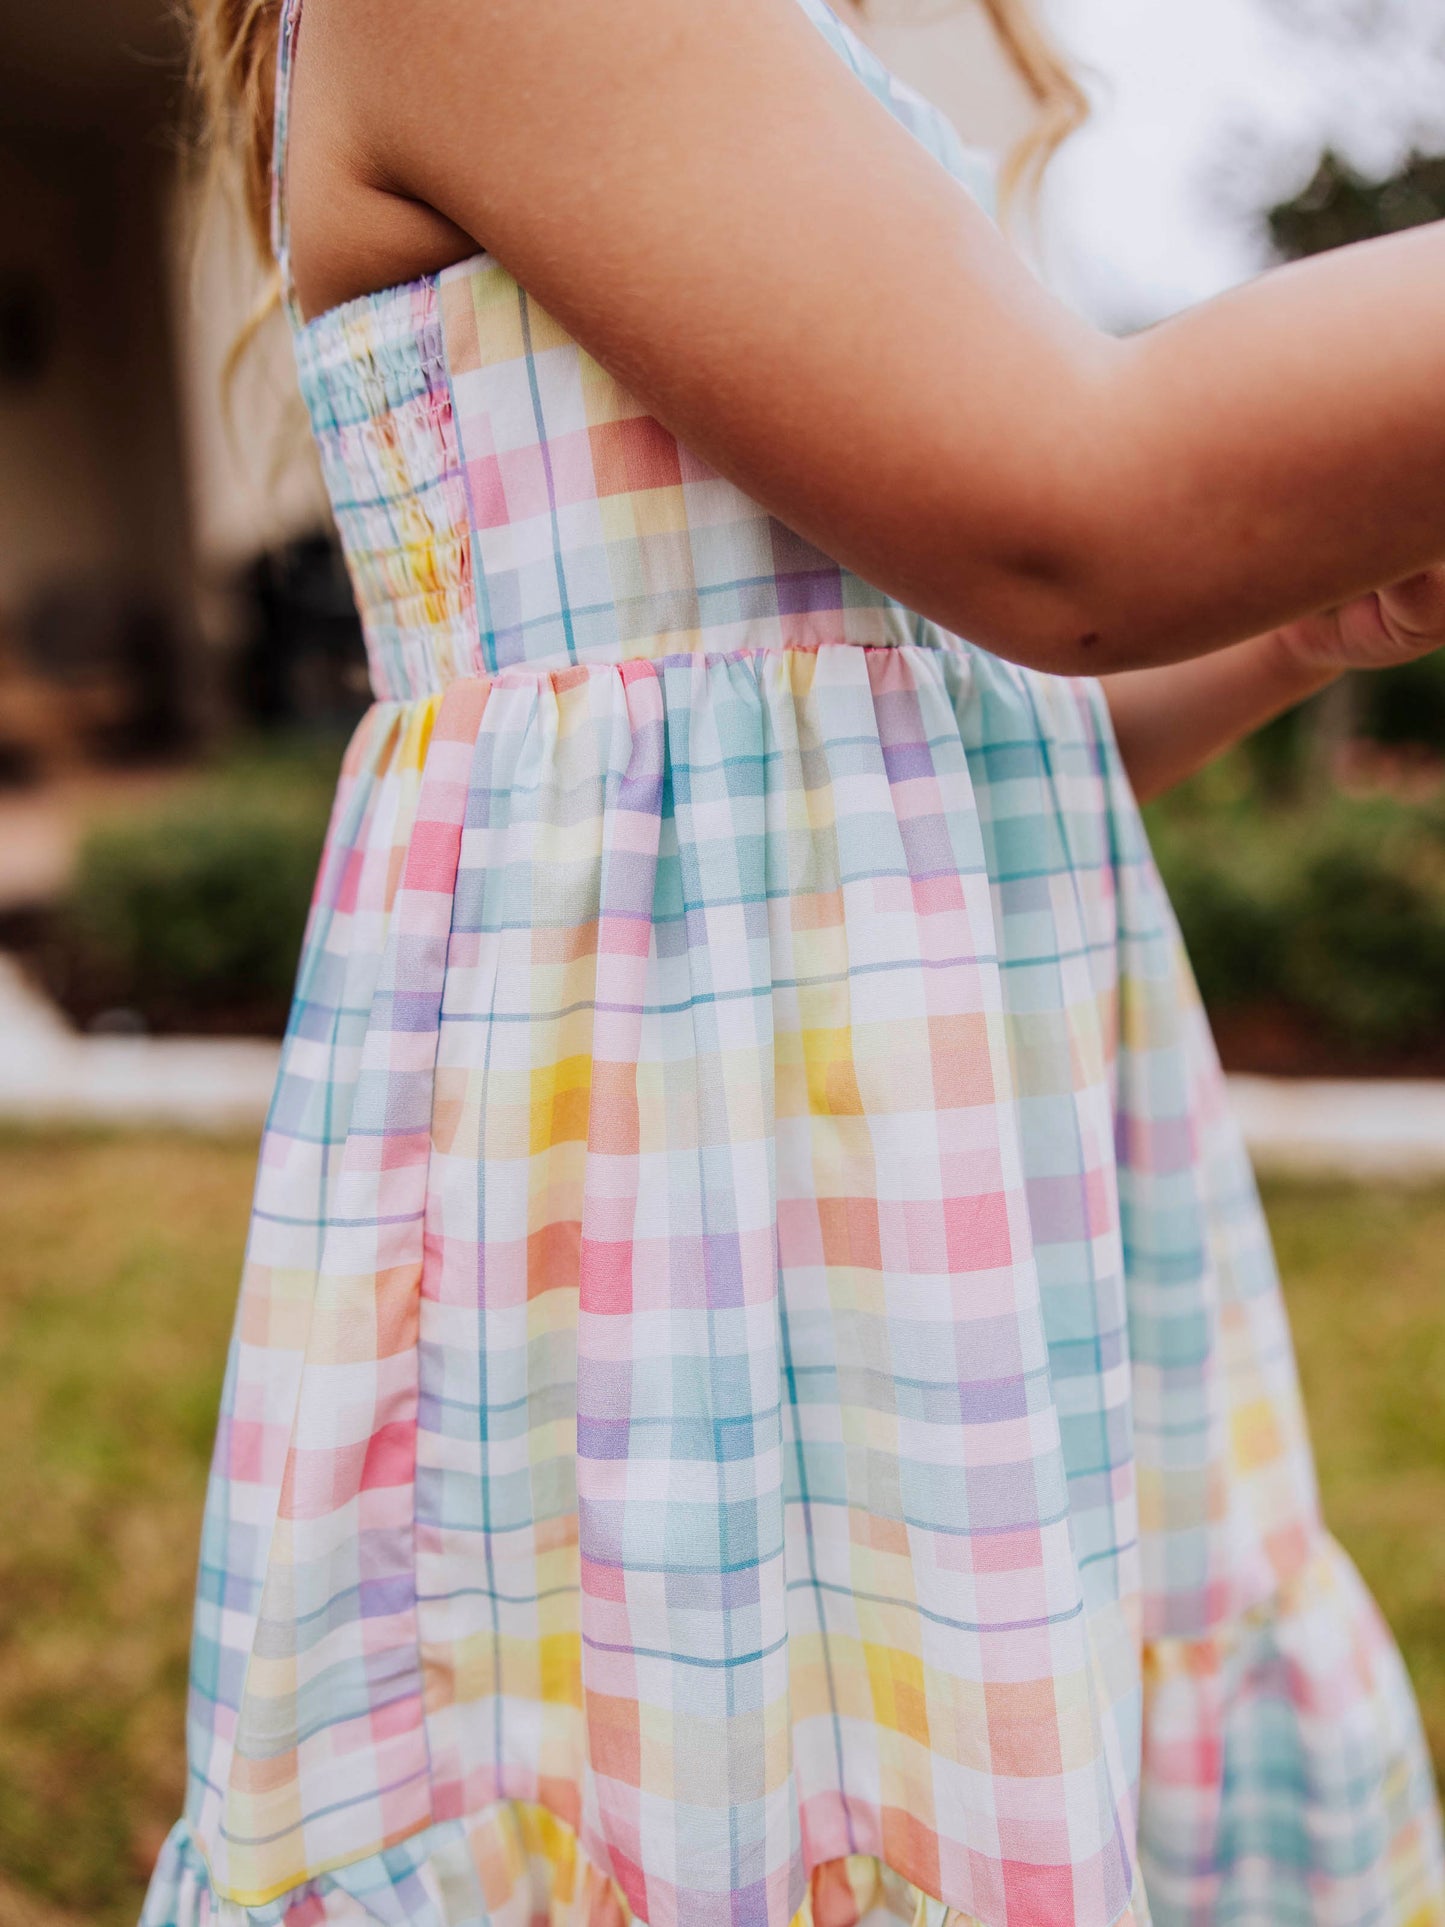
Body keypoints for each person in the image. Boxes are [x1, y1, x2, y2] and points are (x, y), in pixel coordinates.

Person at [145, 1, 1445, 1922]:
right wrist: (1136, 532)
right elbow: (1069, 508)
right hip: (701, 1214)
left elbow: (955, 715)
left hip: (920, 1194)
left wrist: (1288, 630)